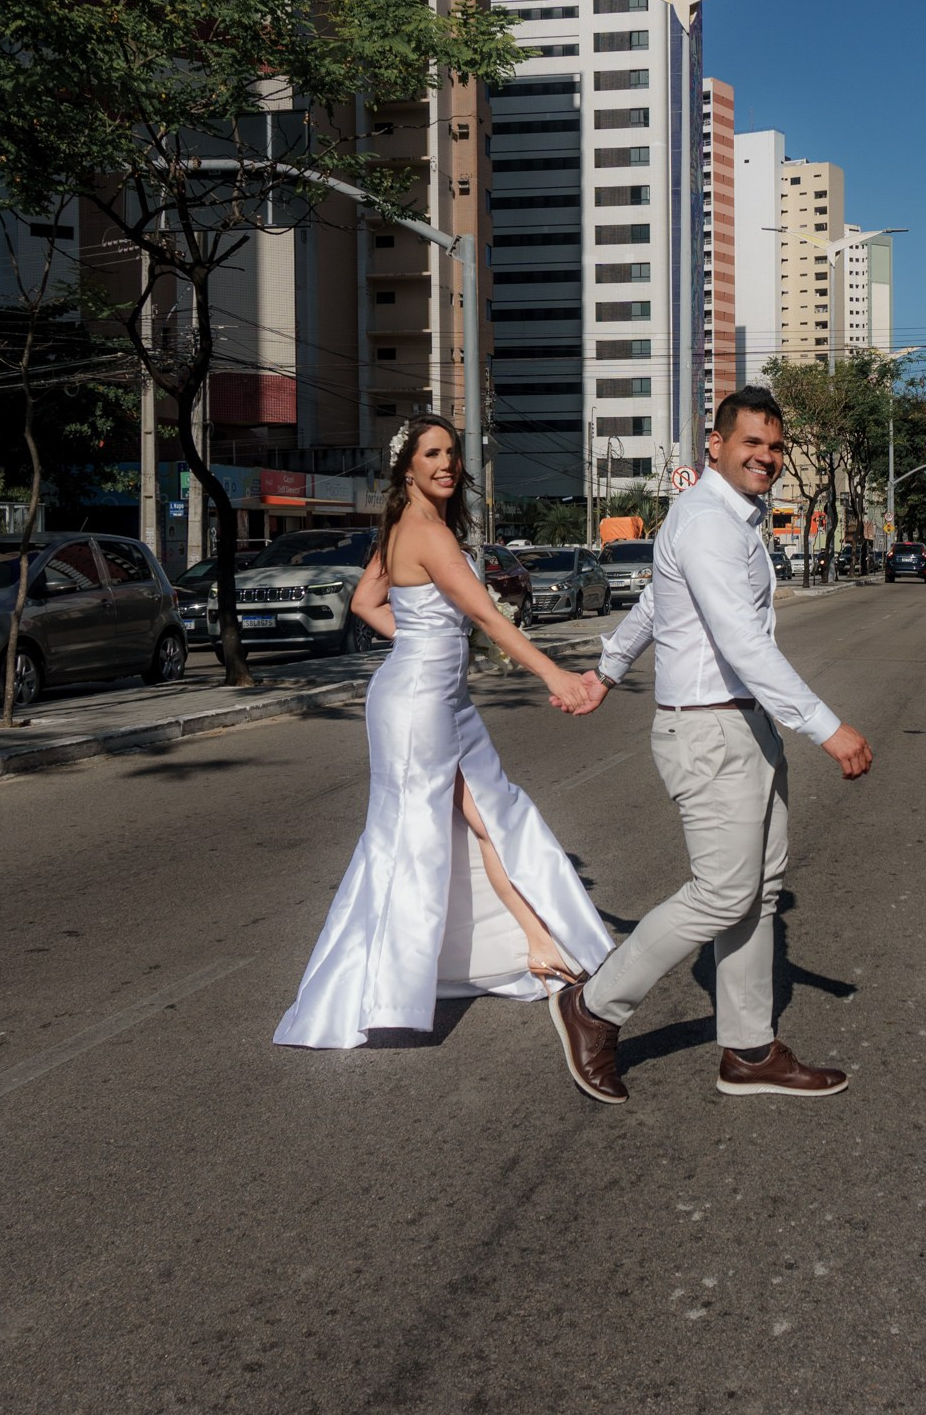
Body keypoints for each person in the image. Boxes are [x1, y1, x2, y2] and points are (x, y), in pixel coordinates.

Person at [548, 387, 874, 1103]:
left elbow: (652, 605)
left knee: (757, 892)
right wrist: (826, 726)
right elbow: (742, 643)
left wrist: (605, 670)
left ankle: (750, 1051)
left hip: (745, 725)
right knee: (723, 893)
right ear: (717, 446)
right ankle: (593, 1006)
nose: (766, 456)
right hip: (708, 729)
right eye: (752, 442)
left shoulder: (731, 518)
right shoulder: (705, 521)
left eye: (775, 446)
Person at [272, 415, 614, 1050]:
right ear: (408, 468)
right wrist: (555, 675)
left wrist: (429, 641)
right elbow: (487, 616)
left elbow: (367, 604)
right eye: (432, 453)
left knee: (491, 816)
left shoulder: (405, 528)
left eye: (451, 452)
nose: (446, 463)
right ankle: (379, 990)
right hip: (418, 706)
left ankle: (538, 942)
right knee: (416, 836)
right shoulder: (426, 532)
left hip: (437, 697)